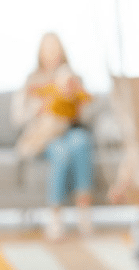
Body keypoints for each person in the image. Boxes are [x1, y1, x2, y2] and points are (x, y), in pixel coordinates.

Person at [12, 32, 95, 240]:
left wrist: (76, 105)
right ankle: (55, 214)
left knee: (81, 141)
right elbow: (18, 117)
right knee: (61, 150)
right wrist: (41, 108)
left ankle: (83, 210)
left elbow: (86, 114)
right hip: (45, 136)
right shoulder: (32, 81)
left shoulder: (73, 79)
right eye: (48, 50)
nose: (52, 54)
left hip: (69, 130)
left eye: (56, 49)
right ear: (40, 53)